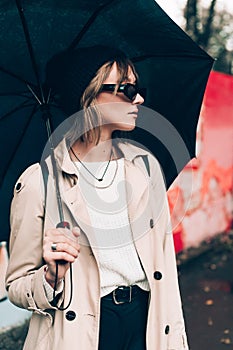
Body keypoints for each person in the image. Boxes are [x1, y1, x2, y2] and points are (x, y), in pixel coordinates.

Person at [5, 46, 189, 350]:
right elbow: (16, 286)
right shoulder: (41, 183)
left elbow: (165, 269)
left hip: (149, 321)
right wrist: (52, 276)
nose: (139, 99)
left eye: (138, 89)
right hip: (85, 332)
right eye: (127, 90)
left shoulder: (145, 168)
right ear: (89, 97)